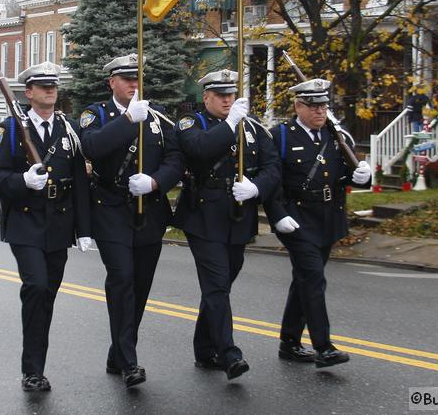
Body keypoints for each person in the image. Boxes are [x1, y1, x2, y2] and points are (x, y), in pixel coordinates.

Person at [79, 54, 184, 388]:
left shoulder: (157, 117)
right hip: (111, 207)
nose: (133, 84)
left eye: (137, 78)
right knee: (122, 279)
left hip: (149, 209)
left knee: (140, 286)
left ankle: (118, 353)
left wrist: (156, 182)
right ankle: (129, 361)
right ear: (112, 82)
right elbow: (91, 147)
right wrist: (126, 121)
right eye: (127, 79)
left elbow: (175, 157)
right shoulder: (95, 115)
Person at [0, 62, 91, 392]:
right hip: (26, 222)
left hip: (59, 224)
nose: (51, 90)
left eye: (54, 85)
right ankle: (32, 370)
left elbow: (79, 182)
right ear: (28, 93)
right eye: (43, 86)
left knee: (46, 296)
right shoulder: (12, 129)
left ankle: (36, 365)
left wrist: (84, 228)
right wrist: (23, 181)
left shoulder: (69, 128)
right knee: (36, 286)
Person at [174, 69, 282, 380]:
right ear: (205, 97)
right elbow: (199, 149)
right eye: (220, 95)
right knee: (217, 285)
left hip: (238, 217)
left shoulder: (252, 128)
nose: (226, 100)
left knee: (219, 288)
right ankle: (229, 353)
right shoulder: (191, 123)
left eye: (230, 94)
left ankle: (204, 348)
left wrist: (257, 187)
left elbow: (272, 166)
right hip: (204, 216)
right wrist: (231, 123)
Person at [273, 78, 372, 368]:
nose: (320, 111)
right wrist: (278, 215)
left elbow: (344, 174)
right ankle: (323, 346)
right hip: (297, 218)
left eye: (324, 106)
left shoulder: (334, 134)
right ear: (298, 106)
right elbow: (270, 180)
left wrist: (363, 177)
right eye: (313, 106)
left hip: (328, 217)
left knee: (303, 280)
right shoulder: (280, 135)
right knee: (314, 278)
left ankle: (289, 341)